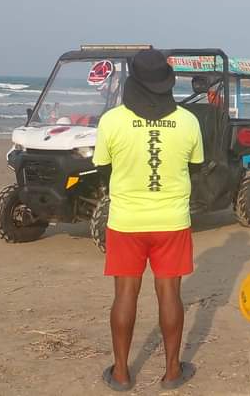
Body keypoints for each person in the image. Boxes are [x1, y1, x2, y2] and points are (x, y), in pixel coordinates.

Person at [94, 49, 204, 391]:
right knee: (169, 293)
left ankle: (123, 372)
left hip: (126, 221)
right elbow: (196, 167)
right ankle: (172, 371)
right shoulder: (188, 121)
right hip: (171, 220)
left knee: (125, 293)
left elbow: (102, 168)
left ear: (132, 81)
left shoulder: (112, 120)